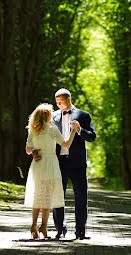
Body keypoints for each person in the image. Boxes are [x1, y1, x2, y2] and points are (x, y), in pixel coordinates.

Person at [24, 103, 78, 239]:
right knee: (47, 197)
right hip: (50, 164)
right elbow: (65, 144)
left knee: (38, 196)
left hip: (37, 165)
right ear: (48, 116)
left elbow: (28, 149)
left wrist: (35, 151)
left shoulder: (33, 130)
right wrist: (73, 131)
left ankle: (34, 225)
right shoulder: (52, 129)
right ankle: (43, 227)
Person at [53, 88, 96, 240]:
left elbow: (92, 136)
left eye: (60, 102)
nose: (58, 105)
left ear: (68, 99)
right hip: (59, 161)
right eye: (56, 102)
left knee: (81, 197)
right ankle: (59, 229)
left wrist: (80, 130)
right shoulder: (53, 116)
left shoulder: (84, 115)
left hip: (77, 163)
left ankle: (80, 231)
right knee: (58, 197)